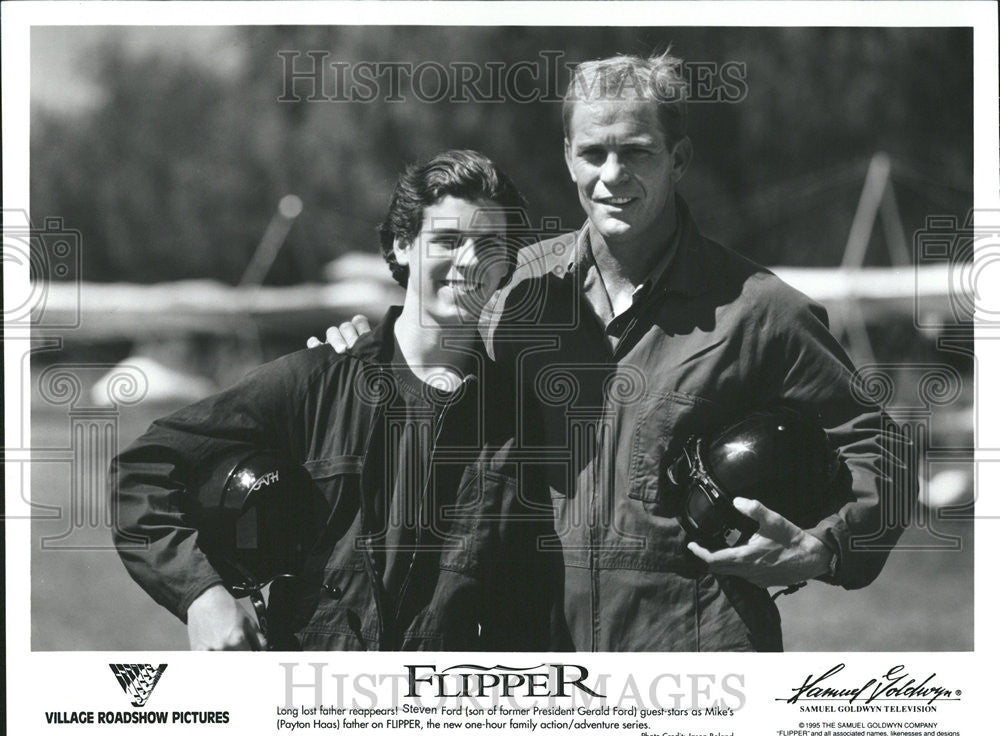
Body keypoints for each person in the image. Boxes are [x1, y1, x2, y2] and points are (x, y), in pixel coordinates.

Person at [316, 53, 917, 652]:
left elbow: (880, 443)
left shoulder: (761, 311)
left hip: (697, 660)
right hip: (531, 656)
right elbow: (423, 387)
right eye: (592, 153)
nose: (612, 175)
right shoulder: (511, 292)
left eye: (636, 151)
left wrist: (823, 549)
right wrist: (356, 358)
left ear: (677, 159)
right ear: (568, 158)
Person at [110, 149, 553, 651]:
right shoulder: (317, 380)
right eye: (448, 240)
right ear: (402, 244)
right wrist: (202, 595)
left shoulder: (521, 421)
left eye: (489, 243)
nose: (470, 261)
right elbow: (143, 472)